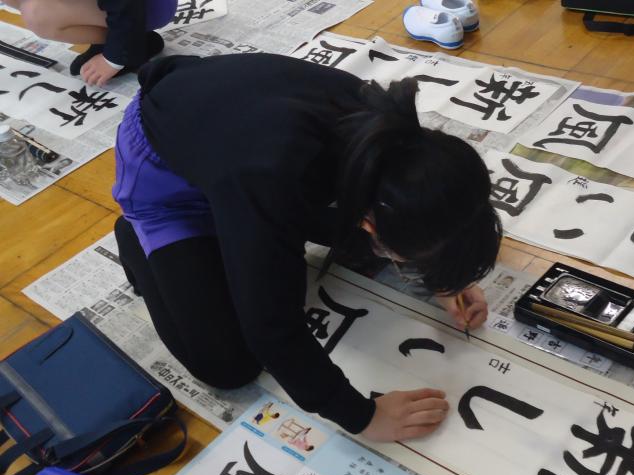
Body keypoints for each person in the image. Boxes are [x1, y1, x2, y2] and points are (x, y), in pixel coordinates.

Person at [111, 52, 502, 443]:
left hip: (233, 139)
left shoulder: (400, 146)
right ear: (370, 222)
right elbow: (271, 327)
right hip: (164, 175)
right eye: (409, 255)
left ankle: (230, 222)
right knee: (227, 364)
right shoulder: (269, 177)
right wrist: (362, 416)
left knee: (352, 246)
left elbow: (439, 209)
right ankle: (135, 237)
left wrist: (446, 275)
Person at [8, 0, 177, 86]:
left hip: (144, 7)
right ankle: (117, 39)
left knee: (38, 15)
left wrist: (114, 59)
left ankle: (133, 43)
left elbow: (126, 3)